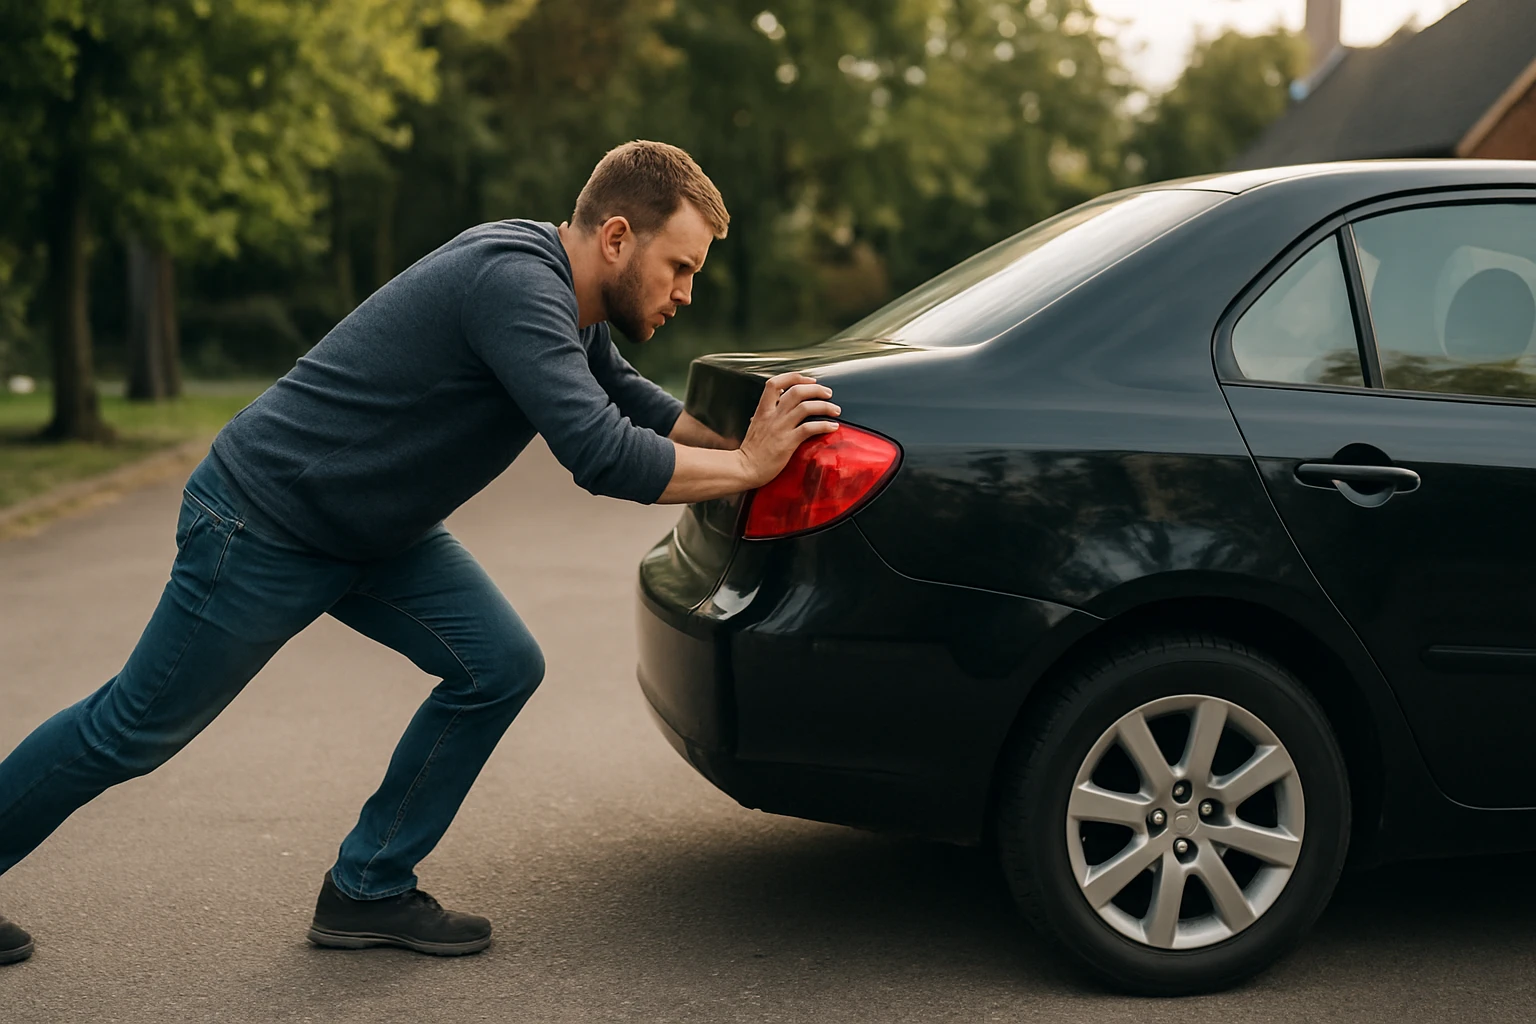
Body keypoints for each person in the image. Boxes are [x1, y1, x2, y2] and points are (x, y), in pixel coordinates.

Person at [0, 140, 841, 964]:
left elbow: (639, 408)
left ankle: (366, 887)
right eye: (681, 267)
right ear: (617, 238)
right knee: (132, 729)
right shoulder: (515, 284)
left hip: (371, 534)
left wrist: (764, 455)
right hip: (265, 522)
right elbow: (603, 453)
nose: (686, 292)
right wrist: (745, 466)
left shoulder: (564, 301)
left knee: (499, 666)